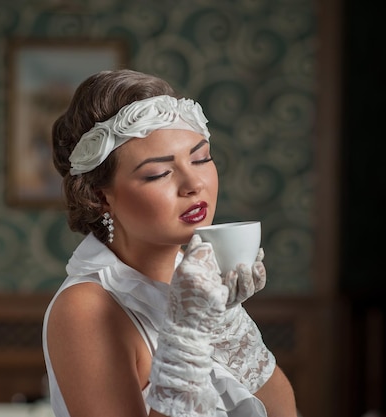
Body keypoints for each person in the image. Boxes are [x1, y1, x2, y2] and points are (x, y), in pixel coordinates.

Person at [42, 69, 297, 417]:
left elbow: (284, 414)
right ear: (100, 198)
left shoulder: (195, 282)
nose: (193, 183)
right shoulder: (85, 308)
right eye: (158, 173)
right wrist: (185, 340)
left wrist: (227, 325)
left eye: (201, 158)